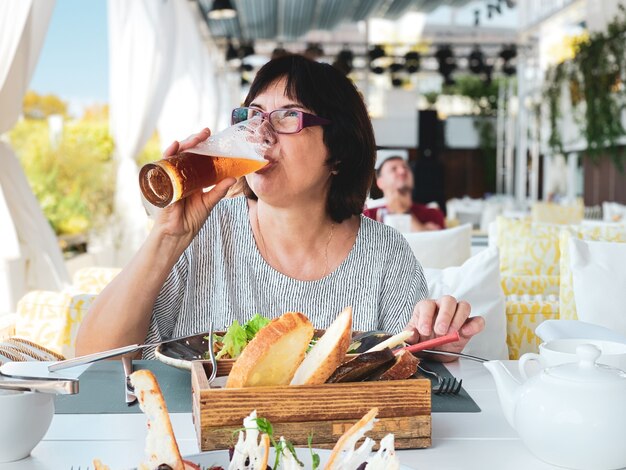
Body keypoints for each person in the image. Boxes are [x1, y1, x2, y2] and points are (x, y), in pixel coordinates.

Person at [76, 54, 484, 360]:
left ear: (338, 153)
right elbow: (94, 359)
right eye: (253, 116)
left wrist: (437, 343)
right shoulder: (201, 235)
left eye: (288, 116)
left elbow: (407, 363)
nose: (261, 133)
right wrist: (167, 236)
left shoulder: (385, 255)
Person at [363, 156, 445, 231]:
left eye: (405, 167)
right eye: (393, 169)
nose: (402, 171)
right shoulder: (368, 216)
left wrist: (403, 211)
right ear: (380, 183)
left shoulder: (433, 215)